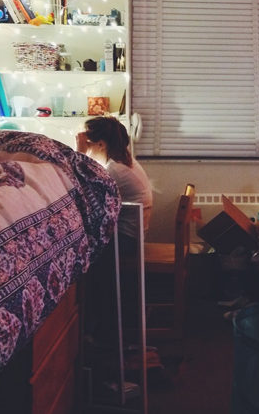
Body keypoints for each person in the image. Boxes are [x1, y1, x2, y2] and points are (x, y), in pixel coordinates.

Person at [76, 115, 153, 345]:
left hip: (126, 238)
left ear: (100, 144)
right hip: (134, 232)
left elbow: (81, 192)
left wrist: (79, 154)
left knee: (87, 261)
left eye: (88, 142)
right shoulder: (122, 161)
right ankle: (96, 326)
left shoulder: (113, 170)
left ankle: (97, 329)